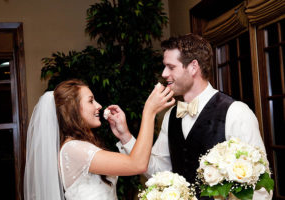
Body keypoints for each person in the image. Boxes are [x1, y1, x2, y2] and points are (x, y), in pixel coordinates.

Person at [114, 34, 272, 200]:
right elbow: (159, 171)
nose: (164, 73)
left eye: (171, 67)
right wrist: (126, 137)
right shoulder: (170, 116)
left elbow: (261, 187)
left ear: (193, 67)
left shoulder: (236, 112)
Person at [24, 79, 175, 200]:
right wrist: (149, 112)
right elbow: (137, 164)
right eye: (90, 101)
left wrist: (124, 134)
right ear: (73, 109)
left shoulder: (78, 146)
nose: (99, 106)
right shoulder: (73, 149)